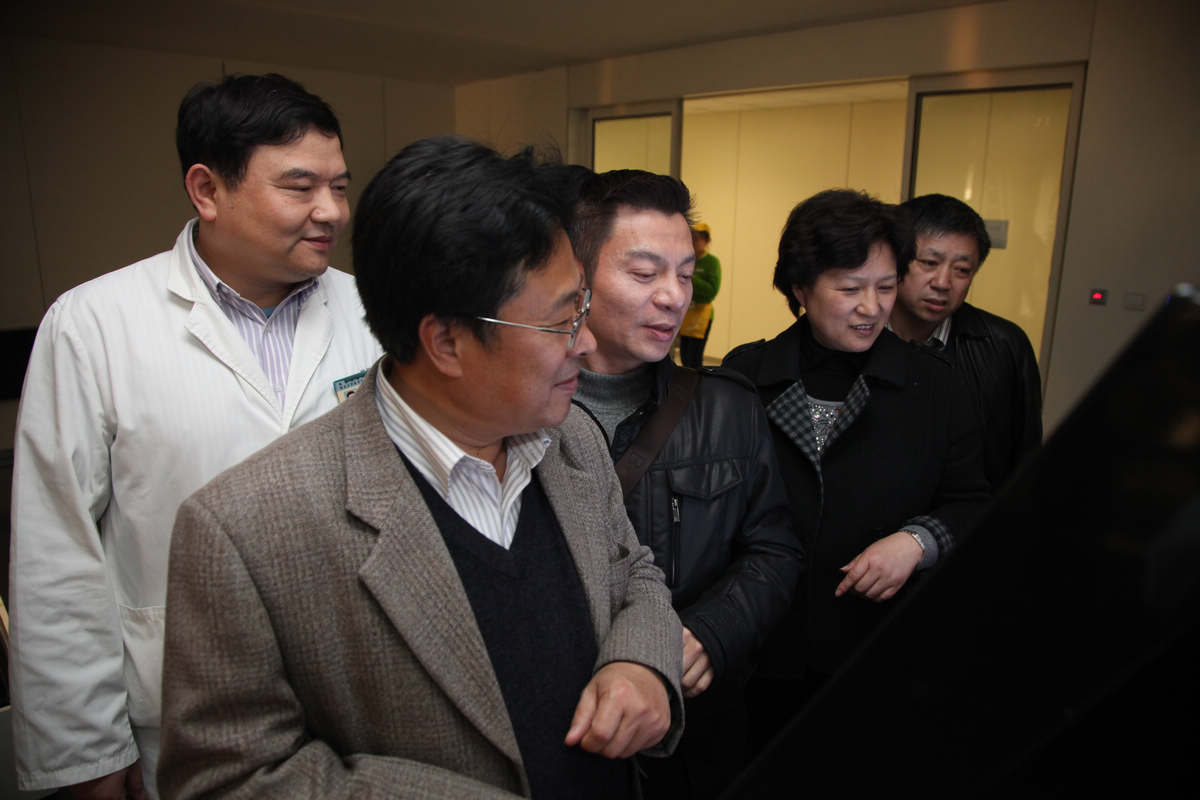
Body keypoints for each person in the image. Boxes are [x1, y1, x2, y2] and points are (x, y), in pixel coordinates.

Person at [158, 137, 683, 799]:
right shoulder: (246, 530)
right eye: (561, 321)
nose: (586, 341)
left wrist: (642, 663)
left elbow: (632, 572)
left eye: (581, 306)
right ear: (447, 341)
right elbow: (230, 778)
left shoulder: (570, 440)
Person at [7, 73, 382, 800]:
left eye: (339, 186)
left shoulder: (374, 314)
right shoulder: (94, 325)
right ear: (207, 189)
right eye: (300, 187)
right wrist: (84, 753)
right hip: (180, 720)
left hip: (358, 706)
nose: (331, 211)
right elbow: (56, 552)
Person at [566, 170, 802, 799]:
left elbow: (775, 549)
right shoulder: (523, 414)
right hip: (566, 722)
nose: (674, 296)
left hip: (694, 728)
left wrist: (710, 632)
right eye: (645, 274)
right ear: (576, 277)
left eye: (686, 274)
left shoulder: (728, 407)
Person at [722, 189, 989, 745]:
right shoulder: (744, 377)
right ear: (800, 289)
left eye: (886, 287)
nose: (871, 307)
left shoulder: (935, 386)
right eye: (850, 289)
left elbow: (972, 502)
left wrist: (916, 542)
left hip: (877, 646)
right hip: (761, 645)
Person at [892, 193, 1043, 488]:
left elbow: (1023, 454)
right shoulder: (855, 334)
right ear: (895, 259)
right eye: (929, 262)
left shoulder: (1003, 346)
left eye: (961, 270)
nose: (942, 283)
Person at [678, 222, 721, 368]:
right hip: (685, 314)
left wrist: (690, 278)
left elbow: (710, 292)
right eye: (692, 238)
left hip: (702, 316)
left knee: (694, 358)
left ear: (706, 241)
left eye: (698, 238)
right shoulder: (685, 260)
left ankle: (696, 383)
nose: (694, 242)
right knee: (684, 357)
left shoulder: (712, 262)